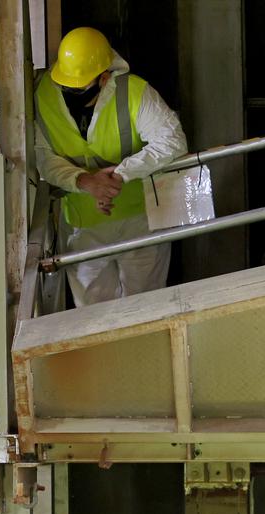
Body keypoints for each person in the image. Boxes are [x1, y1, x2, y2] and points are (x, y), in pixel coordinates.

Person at [34, 27, 188, 306]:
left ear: (104, 77)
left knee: (145, 309)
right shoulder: (43, 95)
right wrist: (85, 181)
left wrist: (119, 175)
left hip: (142, 220)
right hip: (82, 226)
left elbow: (172, 142)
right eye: (65, 86)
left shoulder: (134, 91)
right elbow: (42, 158)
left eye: (79, 88)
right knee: (94, 319)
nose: (70, 92)